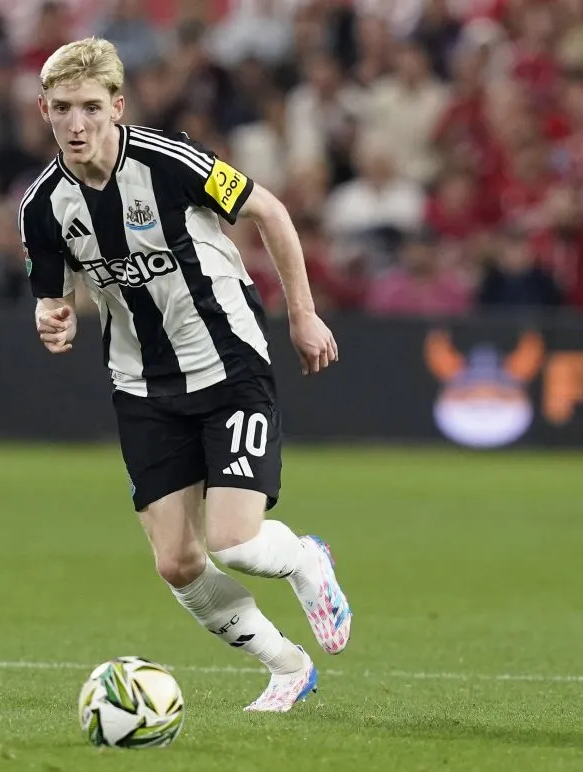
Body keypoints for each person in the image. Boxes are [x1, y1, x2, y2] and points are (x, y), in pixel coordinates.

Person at [17, 38, 351, 713]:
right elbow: (55, 302)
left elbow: (270, 212)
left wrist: (303, 317)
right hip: (141, 386)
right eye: (60, 109)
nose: (75, 124)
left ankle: (307, 560)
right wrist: (53, 322)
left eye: (88, 107)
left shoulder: (168, 162)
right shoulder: (41, 208)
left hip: (228, 365)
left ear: (117, 106)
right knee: (178, 562)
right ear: (43, 111)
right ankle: (285, 666)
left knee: (236, 541)